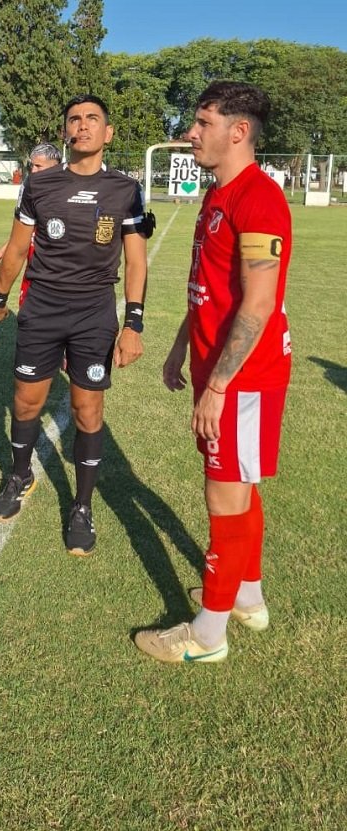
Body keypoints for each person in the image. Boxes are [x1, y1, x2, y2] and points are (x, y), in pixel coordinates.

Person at [134, 81, 292, 663]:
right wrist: (182, 346)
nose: (191, 132)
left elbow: (258, 304)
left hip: (243, 378)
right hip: (216, 369)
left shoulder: (259, 199)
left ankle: (206, 636)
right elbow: (210, 289)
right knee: (239, 486)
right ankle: (247, 598)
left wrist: (220, 385)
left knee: (224, 497)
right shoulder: (217, 194)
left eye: (203, 122)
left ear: (238, 131)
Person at [0, 94, 149, 556]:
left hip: (94, 314)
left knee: (87, 411)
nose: (82, 125)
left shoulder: (125, 190)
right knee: (25, 401)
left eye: (92, 119)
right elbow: (17, 248)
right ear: (64, 131)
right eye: (74, 119)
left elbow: (136, 262)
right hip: (42, 309)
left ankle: (82, 505)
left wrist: (133, 323)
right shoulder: (39, 185)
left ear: (107, 132)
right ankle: (20, 474)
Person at [0, 142, 62, 307]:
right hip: (34, 250)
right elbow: (26, 227)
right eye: (32, 166)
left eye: (39, 166)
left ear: (55, 167)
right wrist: (6, 247)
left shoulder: (68, 187)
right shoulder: (28, 186)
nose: (33, 171)